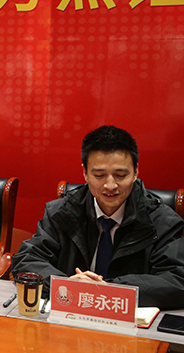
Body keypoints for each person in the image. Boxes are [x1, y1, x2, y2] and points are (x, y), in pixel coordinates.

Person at [13, 125, 184, 310]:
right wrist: (67, 285)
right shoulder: (62, 212)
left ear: (136, 172)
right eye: (99, 175)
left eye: (120, 175)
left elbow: (177, 279)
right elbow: (27, 259)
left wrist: (110, 290)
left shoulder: (161, 221)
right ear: (85, 173)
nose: (110, 185)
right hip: (69, 315)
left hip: (130, 320)